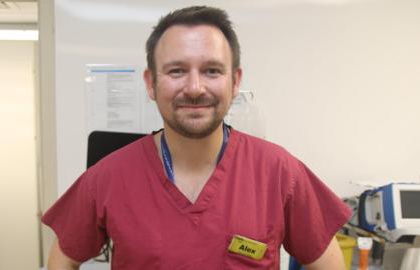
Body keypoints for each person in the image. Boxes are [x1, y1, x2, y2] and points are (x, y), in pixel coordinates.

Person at [43, 6, 352, 270]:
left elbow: (328, 262)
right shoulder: (108, 176)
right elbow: (63, 256)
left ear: (234, 82)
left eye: (212, 71)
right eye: (177, 71)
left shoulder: (280, 172)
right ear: (151, 83)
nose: (194, 88)